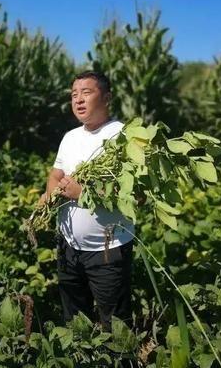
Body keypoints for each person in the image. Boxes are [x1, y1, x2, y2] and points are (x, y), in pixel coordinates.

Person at [44, 70, 134, 330]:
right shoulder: (70, 137)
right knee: (75, 322)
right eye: (74, 95)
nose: (78, 100)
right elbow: (56, 174)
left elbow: (133, 195)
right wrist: (50, 195)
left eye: (86, 92)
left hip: (108, 250)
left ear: (107, 98)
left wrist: (82, 194)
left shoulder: (123, 136)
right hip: (68, 248)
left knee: (115, 327)